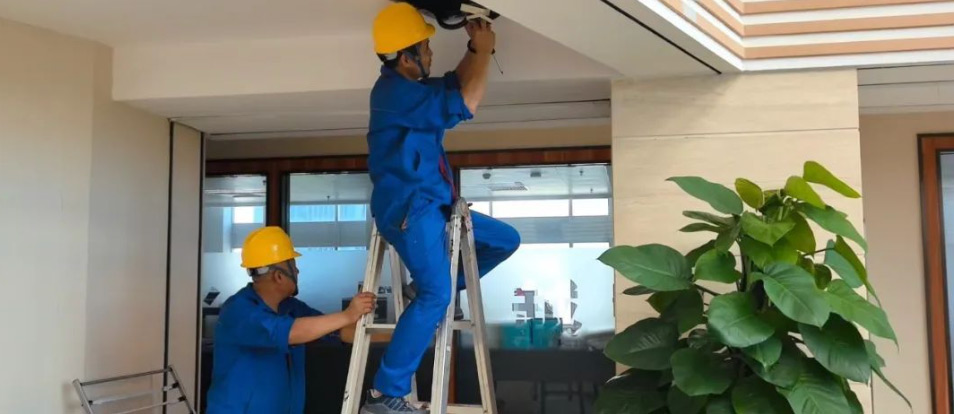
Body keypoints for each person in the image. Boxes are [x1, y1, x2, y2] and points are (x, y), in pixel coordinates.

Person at [362, 3, 521, 413]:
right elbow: (466, 103)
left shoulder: (411, 90)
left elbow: (456, 85)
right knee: (437, 295)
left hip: (438, 207)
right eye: (426, 47)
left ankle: (430, 289)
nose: (431, 53)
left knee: (505, 240)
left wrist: (473, 48)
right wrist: (484, 50)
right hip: (410, 210)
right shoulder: (393, 93)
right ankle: (385, 394)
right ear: (406, 57)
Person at [205, 226, 376, 414]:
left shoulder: (291, 308)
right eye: (293, 266)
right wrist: (347, 315)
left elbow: (341, 331)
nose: (298, 271)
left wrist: (397, 335)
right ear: (279, 276)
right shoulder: (240, 311)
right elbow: (289, 332)